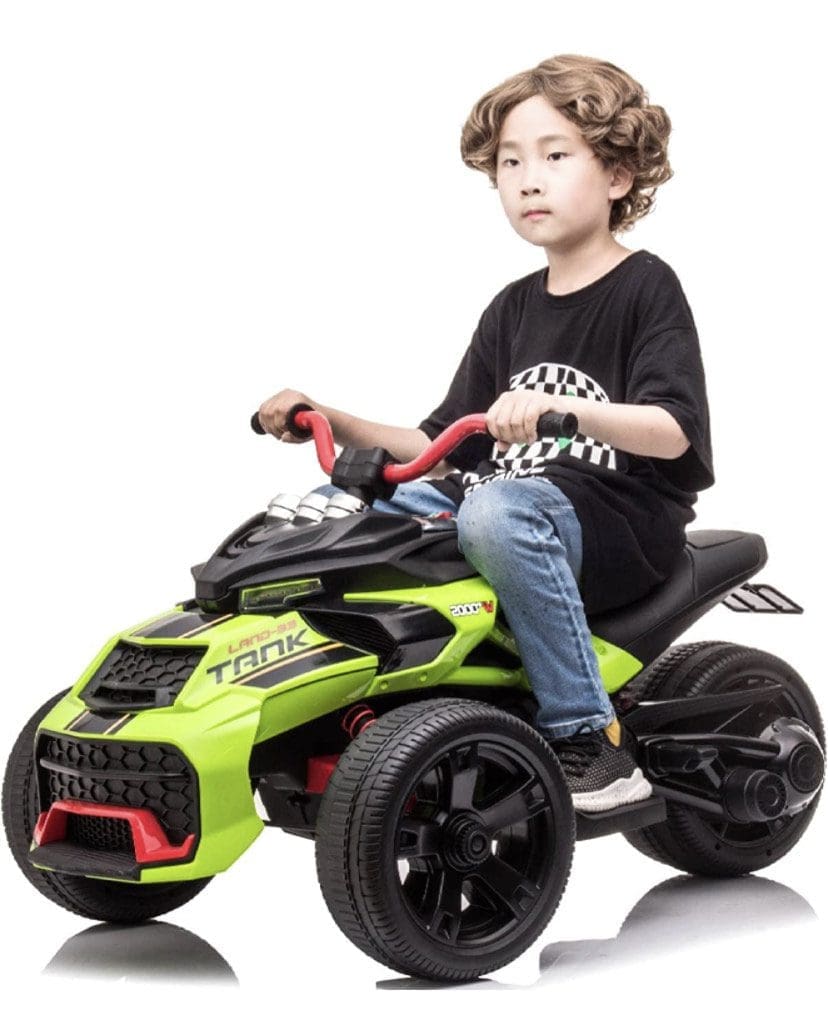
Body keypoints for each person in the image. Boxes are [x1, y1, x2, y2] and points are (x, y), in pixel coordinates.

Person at [255, 54, 714, 814]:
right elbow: (442, 443)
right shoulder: (512, 307)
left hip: (617, 522)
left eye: (556, 155)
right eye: (510, 162)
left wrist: (565, 412)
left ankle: (591, 739)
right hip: (503, 508)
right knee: (332, 512)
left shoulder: (645, 286)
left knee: (496, 511)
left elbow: (673, 433)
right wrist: (328, 418)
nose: (528, 178)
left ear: (619, 176)